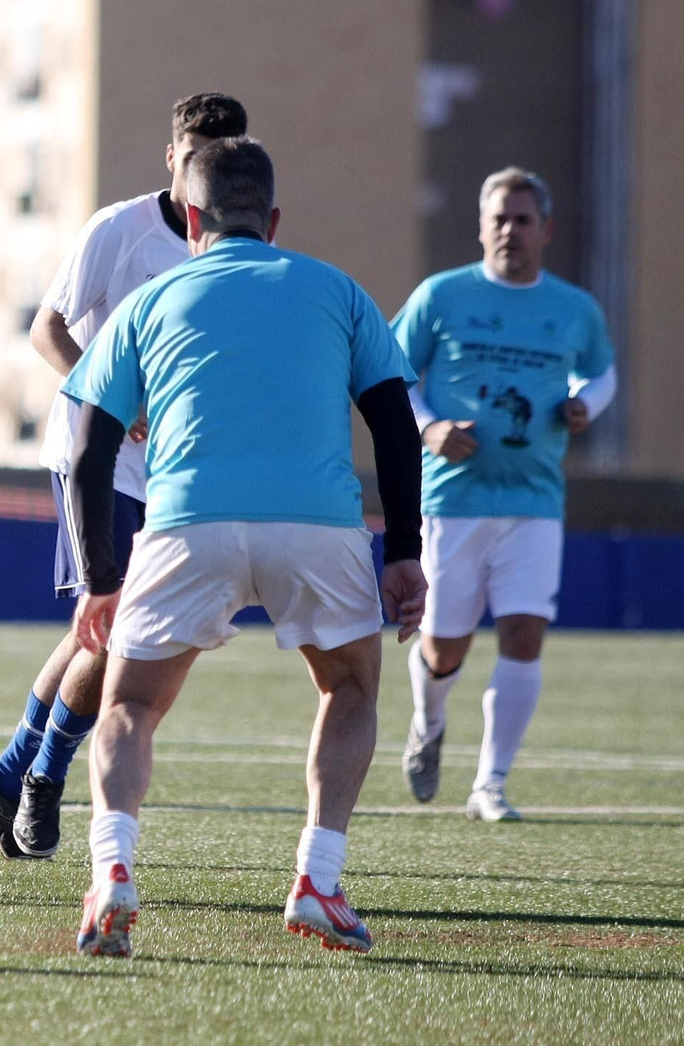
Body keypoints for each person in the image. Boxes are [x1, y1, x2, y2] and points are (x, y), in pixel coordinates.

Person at [61, 137, 427, 957]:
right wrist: (404, 549)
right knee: (351, 690)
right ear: (273, 218)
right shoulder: (336, 288)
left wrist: (99, 577)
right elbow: (396, 425)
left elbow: (89, 445)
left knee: (129, 705)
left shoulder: (152, 299)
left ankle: (112, 872)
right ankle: (317, 880)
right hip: (319, 525)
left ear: (190, 216)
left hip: (188, 522)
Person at [0, 93, 249, 860]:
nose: (207, 170)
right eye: (196, 155)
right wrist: (113, 402)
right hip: (96, 455)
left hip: (173, 472)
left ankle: (7, 772)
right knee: (116, 624)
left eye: (223, 156)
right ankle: (43, 780)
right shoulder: (119, 230)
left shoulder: (235, 249)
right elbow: (45, 328)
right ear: (172, 157)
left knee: (96, 629)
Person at [392, 167, 616, 822]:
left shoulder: (575, 308)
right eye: (498, 219)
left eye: (522, 219)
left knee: (524, 633)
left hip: (535, 501)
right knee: (444, 649)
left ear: (546, 230)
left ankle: (490, 782)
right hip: (454, 500)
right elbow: (389, 371)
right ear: (481, 226)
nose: (509, 231)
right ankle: (428, 724)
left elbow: (601, 373)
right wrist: (429, 425)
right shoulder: (441, 295)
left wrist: (584, 406)